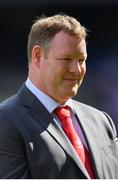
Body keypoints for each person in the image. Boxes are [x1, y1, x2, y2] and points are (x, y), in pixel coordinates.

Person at [0, 14, 118, 179]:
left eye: (81, 60)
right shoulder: (5, 120)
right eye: (66, 59)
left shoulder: (101, 121)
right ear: (38, 56)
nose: (76, 69)